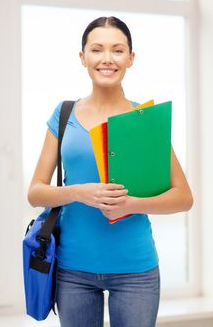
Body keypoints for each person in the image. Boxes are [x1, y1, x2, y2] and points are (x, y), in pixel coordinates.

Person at [28, 16, 193, 327]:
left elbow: (183, 197)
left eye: (117, 50)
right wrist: (79, 192)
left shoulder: (144, 120)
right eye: (97, 49)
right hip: (72, 269)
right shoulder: (64, 114)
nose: (107, 59)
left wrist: (131, 204)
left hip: (136, 270)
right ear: (83, 57)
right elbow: (35, 191)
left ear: (131, 58)